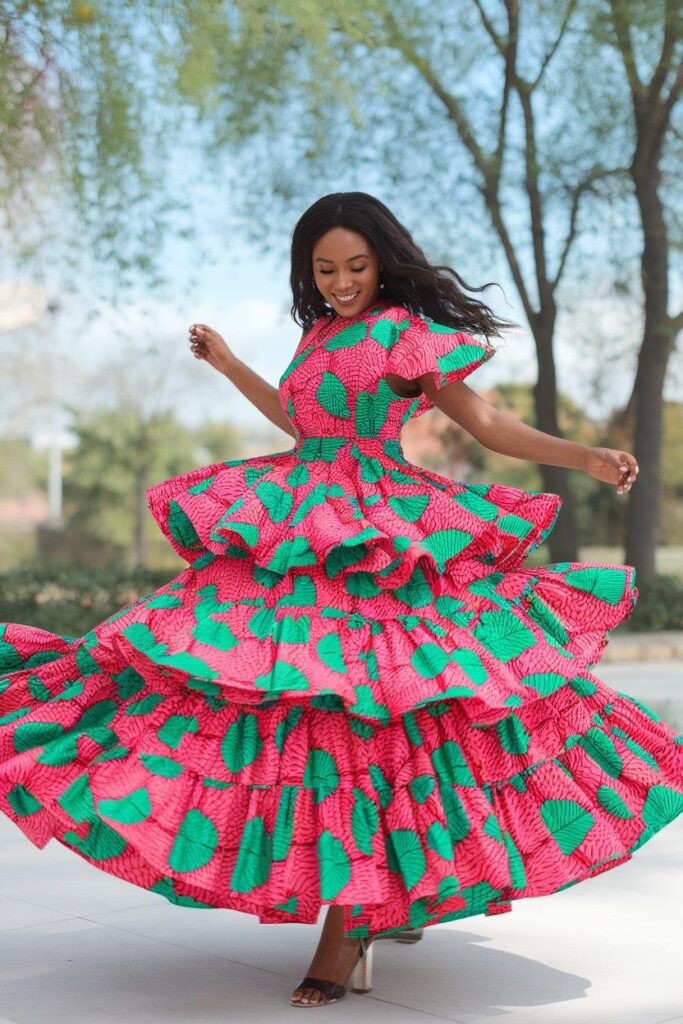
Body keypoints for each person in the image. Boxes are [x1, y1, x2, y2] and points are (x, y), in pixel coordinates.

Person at [1, 191, 681, 1012]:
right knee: (274, 696)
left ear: (382, 262)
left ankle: (352, 920)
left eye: (355, 266)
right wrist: (229, 365)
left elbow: (484, 420)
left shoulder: (406, 332)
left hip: (377, 527)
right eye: (324, 269)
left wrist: (583, 457)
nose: (340, 281)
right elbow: (301, 422)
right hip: (300, 515)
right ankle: (373, 893)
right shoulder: (318, 332)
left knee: (386, 710)